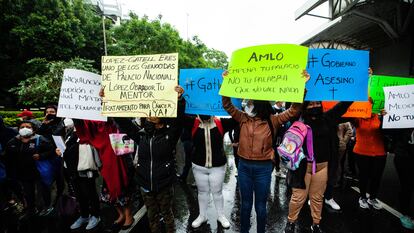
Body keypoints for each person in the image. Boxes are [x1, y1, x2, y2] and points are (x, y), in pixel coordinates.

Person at [222, 70, 308, 233]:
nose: (247, 105)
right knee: (245, 205)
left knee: (261, 206)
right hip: (244, 166)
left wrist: (302, 86)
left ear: (259, 105)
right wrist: (226, 83)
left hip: (263, 168)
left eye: (251, 103)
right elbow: (227, 105)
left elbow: (294, 111)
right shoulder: (242, 117)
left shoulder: (273, 120)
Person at [109, 86, 185, 233]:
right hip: (145, 184)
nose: (152, 112)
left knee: (167, 214)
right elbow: (123, 123)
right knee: (152, 215)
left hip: (164, 184)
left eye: (156, 110)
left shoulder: (170, 135)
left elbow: (179, 120)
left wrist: (179, 100)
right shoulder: (141, 135)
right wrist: (109, 102)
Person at [285, 101, 352, 233]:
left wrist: (356, 93)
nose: (315, 106)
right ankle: (291, 222)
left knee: (317, 198)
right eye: (310, 104)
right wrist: (302, 93)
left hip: (322, 167)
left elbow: (342, 107)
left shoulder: (328, 118)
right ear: (304, 106)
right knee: (298, 198)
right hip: (302, 168)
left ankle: (316, 224)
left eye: (317, 103)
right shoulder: (298, 119)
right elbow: (292, 108)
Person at [184, 114, 237, 228]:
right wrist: (180, 99)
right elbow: (178, 117)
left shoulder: (220, 122)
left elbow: (237, 119)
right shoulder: (193, 122)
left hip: (217, 166)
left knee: (217, 192)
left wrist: (233, 102)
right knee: (202, 192)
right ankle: (202, 216)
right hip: (199, 165)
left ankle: (220, 215)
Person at [56, 118, 102, 231]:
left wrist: (64, 152)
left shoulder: (85, 129)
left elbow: (72, 149)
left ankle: (95, 215)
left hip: (84, 168)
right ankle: (84, 215)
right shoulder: (69, 132)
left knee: (90, 192)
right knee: (79, 194)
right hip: (71, 169)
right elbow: (59, 137)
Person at [4, 121, 54, 217]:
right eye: (22, 127)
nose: (25, 128)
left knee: (42, 191)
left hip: (39, 171)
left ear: (33, 129)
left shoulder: (41, 139)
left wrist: (41, 155)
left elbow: (52, 151)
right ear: (18, 130)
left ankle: (46, 207)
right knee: (28, 192)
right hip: (23, 173)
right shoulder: (13, 141)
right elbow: (8, 157)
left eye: (28, 126)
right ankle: (31, 209)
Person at [353, 106, 387, 210]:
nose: (370, 106)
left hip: (380, 152)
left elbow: (388, 131)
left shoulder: (381, 116)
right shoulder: (357, 117)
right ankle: (362, 197)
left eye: (372, 104)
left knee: (376, 177)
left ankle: (372, 198)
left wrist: (385, 118)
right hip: (361, 152)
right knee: (364, 176)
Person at [389, 128, 414, 229]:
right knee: (407, 185)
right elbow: (390, 132)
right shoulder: (403, 122)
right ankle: (406, 213)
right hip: (404, 157)